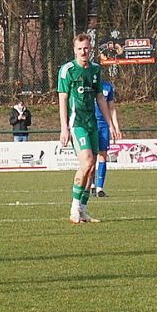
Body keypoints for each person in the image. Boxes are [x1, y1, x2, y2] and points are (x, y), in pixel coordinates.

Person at [58, 33, 120, 224]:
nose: (83, 51)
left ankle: (83, 210)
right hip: (77, 124)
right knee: (86, 162)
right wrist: (63, 128)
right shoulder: (67, 70)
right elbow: (63, 99)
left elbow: (100, 98)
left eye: (86, 48)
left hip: (93, 123)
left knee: (92, 167)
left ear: (90, 48)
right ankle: (74, 208)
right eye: (79, 48)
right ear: (74, 50)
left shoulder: (94, 69)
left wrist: (110, 124)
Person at [93, 80, 122, 196]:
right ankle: (91, 185)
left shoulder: (107, 87)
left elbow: (111, 108)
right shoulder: (88, 82)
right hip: (90, 123)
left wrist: (116, 127)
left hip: (103, 124)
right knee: (90, 157)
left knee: (103, 154)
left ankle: (100, 187)